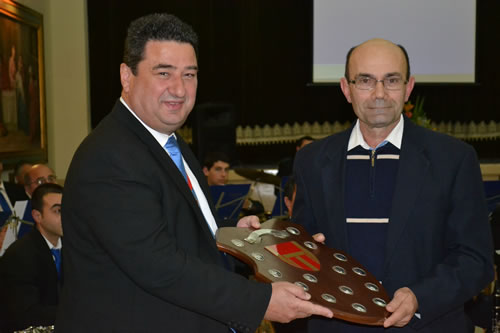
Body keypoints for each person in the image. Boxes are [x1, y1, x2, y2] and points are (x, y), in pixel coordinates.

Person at [57, 13, 332, 332]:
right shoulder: (109, 156)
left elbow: (177, 228)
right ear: (126, 76)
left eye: (189, 74)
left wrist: (241, 236)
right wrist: (260, 300)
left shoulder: (169, 143)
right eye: (164, 73)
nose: (179, 89)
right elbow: (157, 264)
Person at [292, 38, 494, 332]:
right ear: (346, 89)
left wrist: (419, 298)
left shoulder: (453, 159)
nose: (379, 94)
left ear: (408, 87)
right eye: (365, 81)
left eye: (391, 80)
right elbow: (302, 249)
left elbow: (475, 259)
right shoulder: (311, 161)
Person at [0, 183, 63, 332]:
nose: (66, 216)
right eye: (58, 211)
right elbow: (25, 314)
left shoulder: (75, 247)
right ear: (37, 216)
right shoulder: (19, 255)